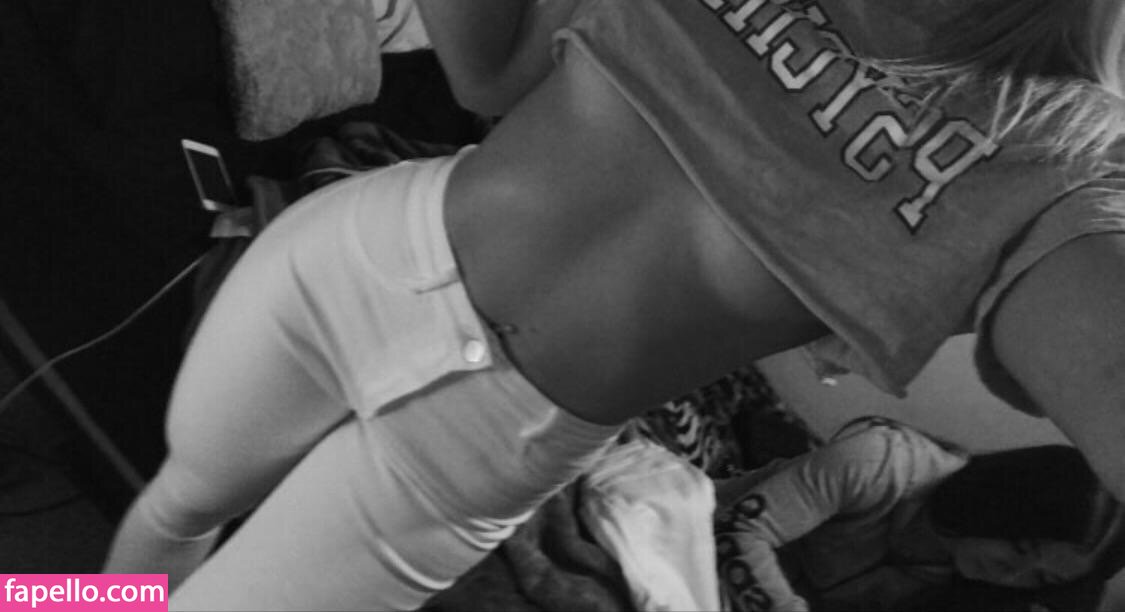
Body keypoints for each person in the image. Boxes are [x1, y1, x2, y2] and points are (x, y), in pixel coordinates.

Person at [102, 0, 1125, 609]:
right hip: (360, 255)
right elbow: (490, 74)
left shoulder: (1067, 164)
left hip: (480, 445)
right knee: (176, 505)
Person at [713, 417, 1125, 611]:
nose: (1012, 575)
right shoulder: (884, 462)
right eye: (1020, 547)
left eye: (1040, 579)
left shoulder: (964, 589)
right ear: (1002, 502)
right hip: (692, 535)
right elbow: (739, 529)